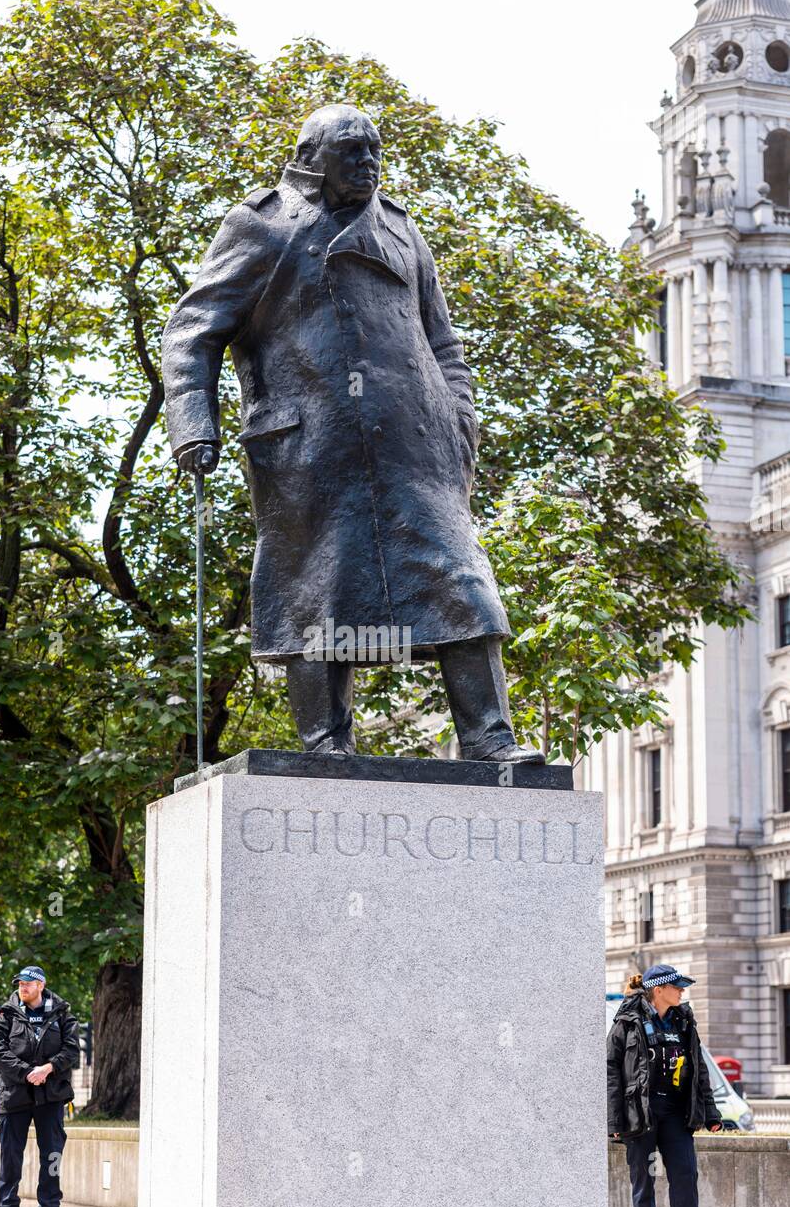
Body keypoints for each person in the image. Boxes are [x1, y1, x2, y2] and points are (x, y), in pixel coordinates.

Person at [161, 103, 544, 765]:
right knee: (320, 588)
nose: (368, 163)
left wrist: (459, 419)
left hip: (416, 444)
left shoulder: (399, 227)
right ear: (310, 159)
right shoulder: (261, 225)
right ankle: (326, 744)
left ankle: (489, 740)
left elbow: (442, 340)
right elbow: (192, 330)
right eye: (351, 151)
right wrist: (193, 425)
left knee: (462, 582)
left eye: (374, 150)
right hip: (310, 445)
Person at [607, 965, 724, 1207]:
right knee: (643, 1182)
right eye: (677, 986)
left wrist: (711, 1113)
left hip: (676, 1114)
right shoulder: (627, 1022)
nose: (682, 991)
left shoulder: (684, 1021)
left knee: (685, 1178)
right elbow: (612, 1072)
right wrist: (615, 1122)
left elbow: (698, 1070)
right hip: (641, 1113)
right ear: (658, 990)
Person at [0, 966, 80, 1207]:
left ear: (41, 985)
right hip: (14, 1095)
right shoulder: (7, 1014)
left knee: (52, 1155)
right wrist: (27, 1072)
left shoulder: (62, 1014)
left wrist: (48, 1069)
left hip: (51, 1096)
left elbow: (72, 1049)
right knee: (10, 1156)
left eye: (28, 983)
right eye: (20, 983)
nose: (23, 987)